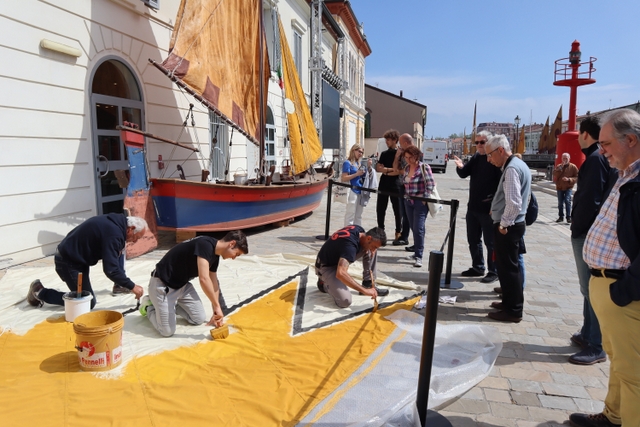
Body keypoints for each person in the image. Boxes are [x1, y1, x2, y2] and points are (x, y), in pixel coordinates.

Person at [570, 109, 640, 427]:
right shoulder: (626, 172)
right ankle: (613, 416)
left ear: (631, 140)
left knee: (634, 375)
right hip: (608, 287)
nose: (602, 151)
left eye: (607, 143)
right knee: (619, 364)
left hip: (622, 292)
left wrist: (622, 291)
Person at [26, 214, 147, 310]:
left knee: (85, 298)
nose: (134, 241)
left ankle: (50, 292)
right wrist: (132, 286)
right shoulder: (114, 234)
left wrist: (124, 282)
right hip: (68, 262)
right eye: (136, 237)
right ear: (131, 229)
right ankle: (40, 292)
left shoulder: (117, 223)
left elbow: (115, 260)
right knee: (86, 303)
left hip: (77, 258)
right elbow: (111, 270)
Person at [140, 231, 248, 337]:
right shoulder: (205, 244)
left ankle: (169, 305)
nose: (234, 258)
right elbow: (204, 279)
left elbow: (213, 281)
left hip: (182, 285)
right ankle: (150, 306)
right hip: (162, 285)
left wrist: (216, 308)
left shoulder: (215, 255)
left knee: (198, 319)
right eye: (236, 254)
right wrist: (216, 306)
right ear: (232, 243)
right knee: (167, 332)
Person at [568, 115, 611, 366]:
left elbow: (590, 199)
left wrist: (577, 229)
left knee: (590, 289)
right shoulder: (600, 158)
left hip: (586, 232)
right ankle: (587, 333)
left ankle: (596, 344)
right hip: (590, 230)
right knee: (588, 289)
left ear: (585, 134)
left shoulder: (594, 160)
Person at [485, 134, 531, 323]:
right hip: (514, 224)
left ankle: (513, 310)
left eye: (490, 154)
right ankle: (508, 303)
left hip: (509, 226)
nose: (489, 159)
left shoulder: (512, 168)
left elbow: (514, 202)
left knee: (509, 268)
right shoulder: (518, 165)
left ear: (500, 151)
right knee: (506, 268)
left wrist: (504, 224)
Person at [452, 130, 502, 283]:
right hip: (473, 207)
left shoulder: (493, 160)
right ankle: (478, 266)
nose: (479, 145)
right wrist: (460, 166)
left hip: (488, 209)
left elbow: (501, 184)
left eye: (482, 142)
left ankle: (493, 271)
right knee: (473, 239)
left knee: (490, 242)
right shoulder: (476, 157)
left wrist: (494, 204)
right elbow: (463, 173)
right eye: (477, 142)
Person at [315, 226, 389, 307]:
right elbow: (340, 273)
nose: (374, 250)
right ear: (368, 238)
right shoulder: (350, 246)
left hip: (339, 257)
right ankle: (323, 285)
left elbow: (367, 246)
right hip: (325, 266)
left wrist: (372, 249)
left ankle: (368, 284)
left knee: (369, 249)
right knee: (345, 301)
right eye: (375, 247)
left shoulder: (360, 231)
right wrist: (364, 291)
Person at [401, 144, 435, 268]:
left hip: (420, 203)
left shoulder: (424, 168)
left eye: (410, 157)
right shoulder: (406, 168)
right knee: (414, 227)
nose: (408, 159)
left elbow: (430, 184)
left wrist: (424, 198)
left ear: (416, 156)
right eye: (406, 157)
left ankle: (419, 256)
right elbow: (405, 183)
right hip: (408, 202)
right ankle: (416, 252)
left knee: (418, 228)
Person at [391, 133, 418, 247]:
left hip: (414, 188)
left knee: (414, 217)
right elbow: (395, 168)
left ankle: (416, 242)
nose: (399, 146)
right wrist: (397, 156)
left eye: (401, 143)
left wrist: (401, 171)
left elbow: (410, 170)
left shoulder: (416, 153)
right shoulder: (402, 153)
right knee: (405, 213)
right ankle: (404, 236)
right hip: (403, 187)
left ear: (406, 143)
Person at [375, 129, 403, 241]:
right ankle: (381, 231)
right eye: (386, 139)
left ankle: (398, 232)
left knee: (397, 209)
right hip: (384, 183)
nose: (386, 141)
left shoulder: (400, 154)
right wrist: (391, 170)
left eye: (389, 139)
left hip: (396, 184)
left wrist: (385, 170)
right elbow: (378, 168)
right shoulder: (384, 153)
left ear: (395, 140)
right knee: (380, 208)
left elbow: (399, 171)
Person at [342, 143, 374, 227]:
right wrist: (357, 174)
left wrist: (369, 166)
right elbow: (344, 177)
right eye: (359, 151)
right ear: (353, 150)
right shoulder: (347, 163)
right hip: (352, 189)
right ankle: (348, 234)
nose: (360, 154)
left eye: (362, 152)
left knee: (358, 215)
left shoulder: (358, 164)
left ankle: (357, 232)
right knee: (350, 213)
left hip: (360, 190)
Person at [553, 152, 578, 223]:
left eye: (566, 158)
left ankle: (568, 217)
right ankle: (561, 216)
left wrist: (569, 179)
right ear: (561, 158)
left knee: (567, 200)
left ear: (569, 159)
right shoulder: (559, 166)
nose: (565, 160)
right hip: (560, 187)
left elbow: (577, 176)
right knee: (560, 202)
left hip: (568, 187)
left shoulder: (573, 167)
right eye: (563, 158)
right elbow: (555, 174)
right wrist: (560, 168)